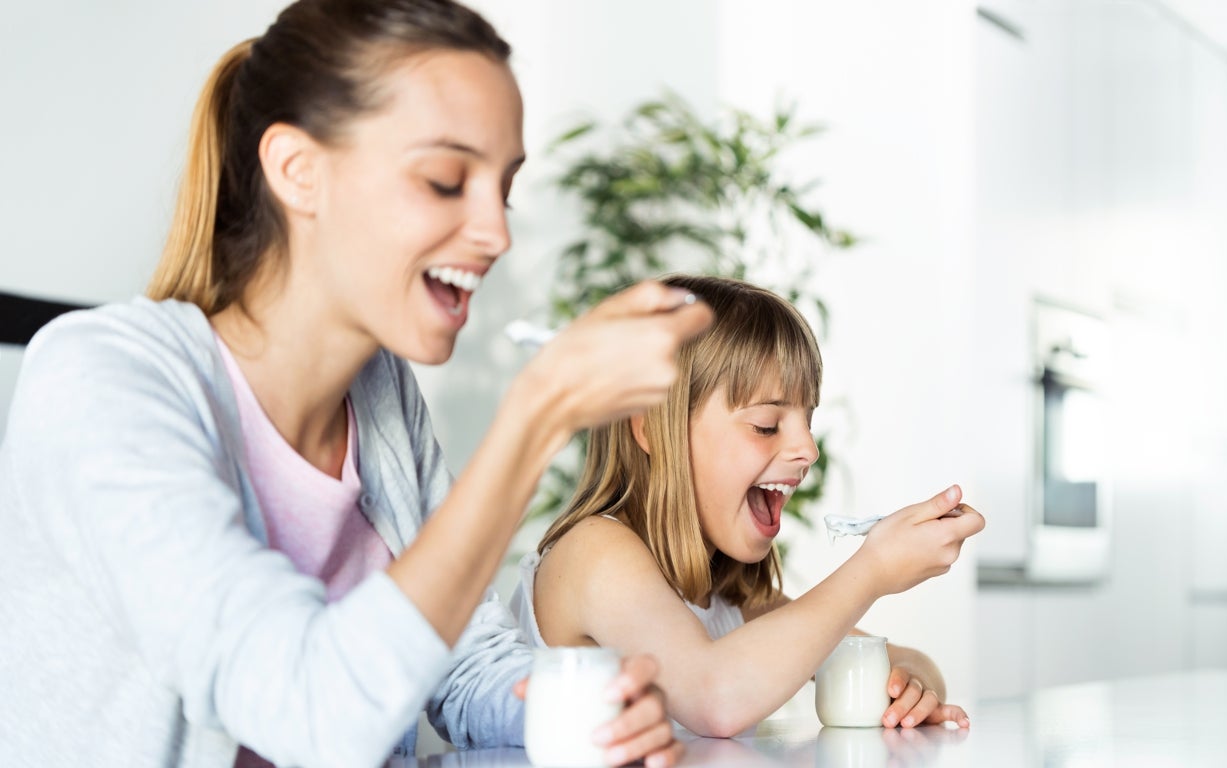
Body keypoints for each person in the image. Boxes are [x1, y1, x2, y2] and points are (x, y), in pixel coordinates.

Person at [0, 1, 714, 766]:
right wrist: (537, 418)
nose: (496, 234)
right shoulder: (100, 381)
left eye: (501, 188)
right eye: (445, 180)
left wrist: (561, 709)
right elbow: (312, 714)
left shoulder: (381, 394)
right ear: (298, 172)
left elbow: (460, 663)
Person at [509, 275, 986, 738]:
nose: (808, 450)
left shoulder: (730, 598)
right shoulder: (592, 551)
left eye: (808, 419)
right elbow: (715, 698)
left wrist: (912, 684)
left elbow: (903, 660)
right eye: (766, 424)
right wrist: (873, 569)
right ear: (651, 428)